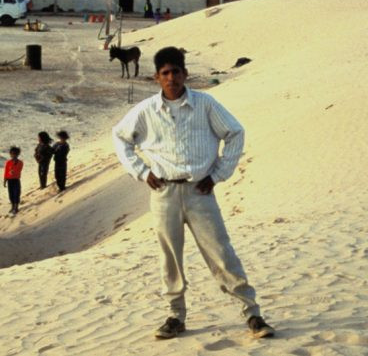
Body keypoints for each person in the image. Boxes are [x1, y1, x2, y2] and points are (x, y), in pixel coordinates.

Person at [112, 46, 275, 340]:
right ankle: (176, 316)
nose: (171, 77)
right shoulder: (147, 110)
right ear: (156, 77)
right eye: (165, 73)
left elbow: (235, 133)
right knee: (169, 257)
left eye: (176, 71)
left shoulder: (206, 104)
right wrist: (140, 171)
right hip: (163, 193)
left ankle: (252, 314)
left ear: (185, 74)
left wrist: (218, 174)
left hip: (200, 192)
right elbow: (120, 137)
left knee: (221, 253)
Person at [3, 147, 24, 215]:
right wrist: (5, 180)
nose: (13, 155)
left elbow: (19, 170)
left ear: (18, 154)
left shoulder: (20, 162)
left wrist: (13, 170)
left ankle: (16, 206)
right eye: (12, 154)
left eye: (15, 154)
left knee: (16, 193)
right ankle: (12, 206)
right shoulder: (8, 162)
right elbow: (6, 171)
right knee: (11, 194)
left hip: (16, 180)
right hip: (10, 180)